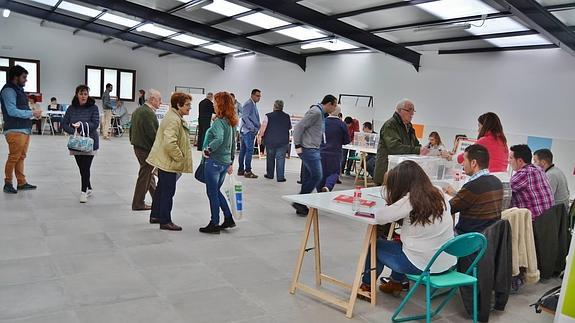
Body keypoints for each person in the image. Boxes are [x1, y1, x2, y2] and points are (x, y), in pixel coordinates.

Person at [360, 160, 456, 295]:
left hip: (422, 265)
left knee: (376, 246)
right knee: (401, 244)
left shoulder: (409, 200)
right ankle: (395, 283)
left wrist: (391, 200)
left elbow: (379, 217)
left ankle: (366, 286)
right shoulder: (439, 192)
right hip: (446, 261)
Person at [146, 92, 193, 231]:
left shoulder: (173, 116)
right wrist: (180, 157)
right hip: (169, 162)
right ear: (178, 105)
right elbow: (170, 143)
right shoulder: (174, 119)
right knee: (167, 192)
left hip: (165, 160)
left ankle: (156, 215)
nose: (190, 108)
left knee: (161, 190)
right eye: (187, 105)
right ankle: (165, 220)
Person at [291, 94, 338, 216]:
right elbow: (299, 127)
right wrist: (297, 145)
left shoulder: (321, 114)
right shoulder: (316, 112)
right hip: (309, 149)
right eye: (334, 105)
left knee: (309, 176)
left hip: (314, 148)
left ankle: (300, 204)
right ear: (329, 104)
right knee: (317, 175)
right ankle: (299, 201)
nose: (335, 108)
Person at [199, 92, 238, 234]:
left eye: (215, 102)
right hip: (225, 162)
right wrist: (231, 162)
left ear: (220, 104)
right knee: (216, 191)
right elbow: (233, 144)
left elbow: (219, 139)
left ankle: (214, 223)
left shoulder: (219, 122)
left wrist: (208, 150)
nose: (213, 104)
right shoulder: (231, 121)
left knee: (212, 193)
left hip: (214, 162)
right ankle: (228, 218)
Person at [443, 144, 503, 234]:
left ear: (473, 163)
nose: (462, 163)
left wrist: (437, 196)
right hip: (489, 239)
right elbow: (473, 200)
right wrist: (456, 194)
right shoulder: (497, 182)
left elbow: (449, 208)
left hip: (467, 239)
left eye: (464, 160)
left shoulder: (473, 186)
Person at [1, 65, 42, 194]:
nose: (26, 80)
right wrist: (31, 114)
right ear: (15, 77)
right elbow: (12, 111)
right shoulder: (8, 91)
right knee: (14, 157)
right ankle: (8, 183)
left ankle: (21, 182)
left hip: (23, 129)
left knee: (21, 156)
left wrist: (32, 113)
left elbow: (21, 108)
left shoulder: (18, 89)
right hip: (14, 129)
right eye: (24, 77)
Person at [62, 85, 100, 203]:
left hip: (90, 142)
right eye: (81, 93)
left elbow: (95, 123)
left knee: (85, 167)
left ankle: (83, 192)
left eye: (85, 94)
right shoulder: (71, 108)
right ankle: (89, 186)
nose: (83, 96)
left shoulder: (93, 108)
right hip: (76, 142)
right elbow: (64, 123)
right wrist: (74, 131)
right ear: (76, 94)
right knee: (81, 167)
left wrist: (81, 126)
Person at [374, 99, 424, 186]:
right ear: (399, 110)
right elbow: (395, 148)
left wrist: (424, 150)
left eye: (413, 110)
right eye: (409, 110)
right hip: (388, 171)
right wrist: (418, 150)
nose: (412, 113)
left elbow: (416, 144)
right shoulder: (390, 125)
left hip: (402, 173)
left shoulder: (409, 126)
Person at [130, 89, 161, 211]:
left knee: (148, 174)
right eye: (159, 99)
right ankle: (138, 203)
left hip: (138, 146)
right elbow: (153, 135)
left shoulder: (138, 110)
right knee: (145, 175)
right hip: (145, 149)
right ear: (152, 99)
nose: (160, 102)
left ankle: (157, 199)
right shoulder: (148, 113)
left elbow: (132, 130)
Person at [509, 144, 554, 220]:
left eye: (511, 158)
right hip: (547, 221)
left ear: (520, 161)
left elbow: (502, 191)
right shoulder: (538, 169)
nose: (508, 161)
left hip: (533, 224)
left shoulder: (524, 174)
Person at [317, 105, 350, 192]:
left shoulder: (322, 122)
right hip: (335, 153)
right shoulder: (342, 124)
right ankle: (327, 187)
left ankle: (319, 191)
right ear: (339, 113)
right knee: (334, 173)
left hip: (321, 152)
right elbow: (347, 140)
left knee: (321, 173)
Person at [259, 100, 291, 182]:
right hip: (283, 141)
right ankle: (280, 177)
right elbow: (289, 127)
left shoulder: (268, 116)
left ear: (274, 106)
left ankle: (270, 175)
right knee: (280, 159)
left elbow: (263, 128)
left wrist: (260, 136)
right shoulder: (287, 116)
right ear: (282, 107)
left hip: (270, 140)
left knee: (270, 158)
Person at [238, 89, 262, 178]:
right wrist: (252, 128)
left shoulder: (253, 104)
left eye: (259, 96)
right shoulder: (249, 104)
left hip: (246, 131)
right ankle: (247, 171)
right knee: (249, 151)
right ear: (252, 95)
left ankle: (241, 170)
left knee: (243, 150)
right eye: (257, 95)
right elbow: (245, 117)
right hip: (248, 131)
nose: (259, 98)